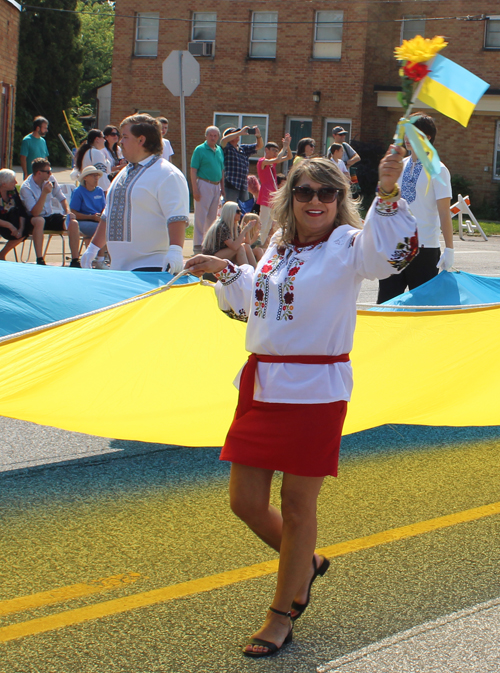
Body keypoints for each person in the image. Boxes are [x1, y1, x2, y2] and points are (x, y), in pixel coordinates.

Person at [185, 147, 418, 658]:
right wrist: (223, 271)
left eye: (327, 192)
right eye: (306, 191)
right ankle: (306, 564)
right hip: (262, 386)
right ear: (290, 199)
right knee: (244, 501)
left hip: (316, 392)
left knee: (296, 506)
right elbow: (259, 303)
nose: (316, 201)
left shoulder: (351, 245)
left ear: (340, 200)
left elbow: (389, 255)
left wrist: (388, 189)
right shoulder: (277, 245)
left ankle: (280, 614)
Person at [81, 114, 189, 272]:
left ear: (141, 140)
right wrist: (93, 248)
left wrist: (175, 251)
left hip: (152, 266)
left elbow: (176, 216)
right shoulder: (124, 173)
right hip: (120, 267)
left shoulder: (167, 173)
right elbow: (109, 215)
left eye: (125, 137)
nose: (120, 142)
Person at [377, 112, 454, 303]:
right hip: (397, 245)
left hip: (425, 248)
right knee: (387, 303)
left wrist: (450, 249)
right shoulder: (398, 166)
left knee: (421, 307)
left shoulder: (439, 169)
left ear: (428, 137)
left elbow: (445, 212)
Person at [19, 158, 82, 267]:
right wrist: (44, 193)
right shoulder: (26, 187)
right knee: (39, 220)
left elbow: (62, 198)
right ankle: (40, 259)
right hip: (32, 219)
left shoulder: (51, 179)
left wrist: (68, 212)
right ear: (39, 173)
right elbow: (35, 212)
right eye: (48, 171)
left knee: (73, 223)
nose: (50, 173)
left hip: (49, 216)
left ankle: (75, 260)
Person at [190, 125, 225, 254]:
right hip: (204, 183)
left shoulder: (219, 150)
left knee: (213, 218)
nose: (213, 137)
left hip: (216, 186)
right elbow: (193, 170)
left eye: (215, 135)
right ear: (206, 136)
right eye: (210, 135)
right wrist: (195, 189)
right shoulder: (200, 150)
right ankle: (197, 246)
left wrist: (222, 187)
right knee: (200, 216)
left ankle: (208, 244)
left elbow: (221, 170)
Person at [70, 165, 108, 268]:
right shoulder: (78, 192)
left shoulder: (99, 190)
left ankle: (103, 259)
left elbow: (104, 208)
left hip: (97, 220)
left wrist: (100, 216)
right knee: (101, 229)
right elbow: (73, 213)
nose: (96, 178)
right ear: (85, 178)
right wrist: (91, 217)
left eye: (97, 176)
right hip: (83, 221)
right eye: (93, 176)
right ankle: (100, 260)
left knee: (108, 227)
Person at [257, 135, 292, 242]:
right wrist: (284, 147)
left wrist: (288, 146)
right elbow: (277, 158)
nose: (275, 153)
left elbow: (289, 157)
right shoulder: (262, 161)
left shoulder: (272, 164)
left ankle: (261, 244)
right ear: (266, 150)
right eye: (273, 150)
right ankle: (256, 245)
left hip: (272, 196)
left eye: (277, 151)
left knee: (268, 225)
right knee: (263, 223)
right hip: (265, 196)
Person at [201, 201, 258, 267]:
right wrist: (244, 231)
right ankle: (246, 273)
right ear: (230, 213)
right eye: (238, 211)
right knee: (240, 248)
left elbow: (247, 243)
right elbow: (234, 247)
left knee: (246, 246)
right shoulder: (222, 226)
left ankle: (254, 272)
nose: (240, 213)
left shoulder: (235, 226)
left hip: (224, 254)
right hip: (212, 256)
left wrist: (247, 230)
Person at [221, 126, 264, 203]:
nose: (237, 135)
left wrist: (258, 136)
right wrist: (240, 132)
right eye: (234, 133)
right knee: (231, 209)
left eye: (237, 133)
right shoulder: (226, 148)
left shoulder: (243, 148)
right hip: (231, 184)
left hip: (243, 186)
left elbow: (259, 146)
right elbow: (223, 141)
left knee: (244, 210)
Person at [0, 168, 35, 261]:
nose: (16, 182)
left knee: (25, 229)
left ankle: (2, 254)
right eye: (12, 181)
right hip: (3, 222)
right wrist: (10, 226)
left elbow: (21, 210)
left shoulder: (13, 191)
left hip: (10, 219)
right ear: (4, 184)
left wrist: (21, 228)